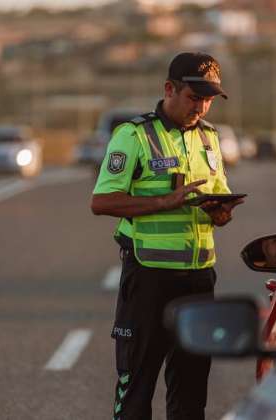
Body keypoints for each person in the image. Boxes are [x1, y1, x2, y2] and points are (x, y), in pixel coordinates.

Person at [90, 52, 244, 420]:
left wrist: (221, 213)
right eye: (194, 97)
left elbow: (218, 195)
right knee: (136, 389)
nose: (201, 107)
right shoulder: (133, 136)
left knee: (191, 393)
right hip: (149, 278)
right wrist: (164, 201)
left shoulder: (210, 138)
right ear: (169, 89)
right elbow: (101, 202)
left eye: (209, 100)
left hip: (199, 278)